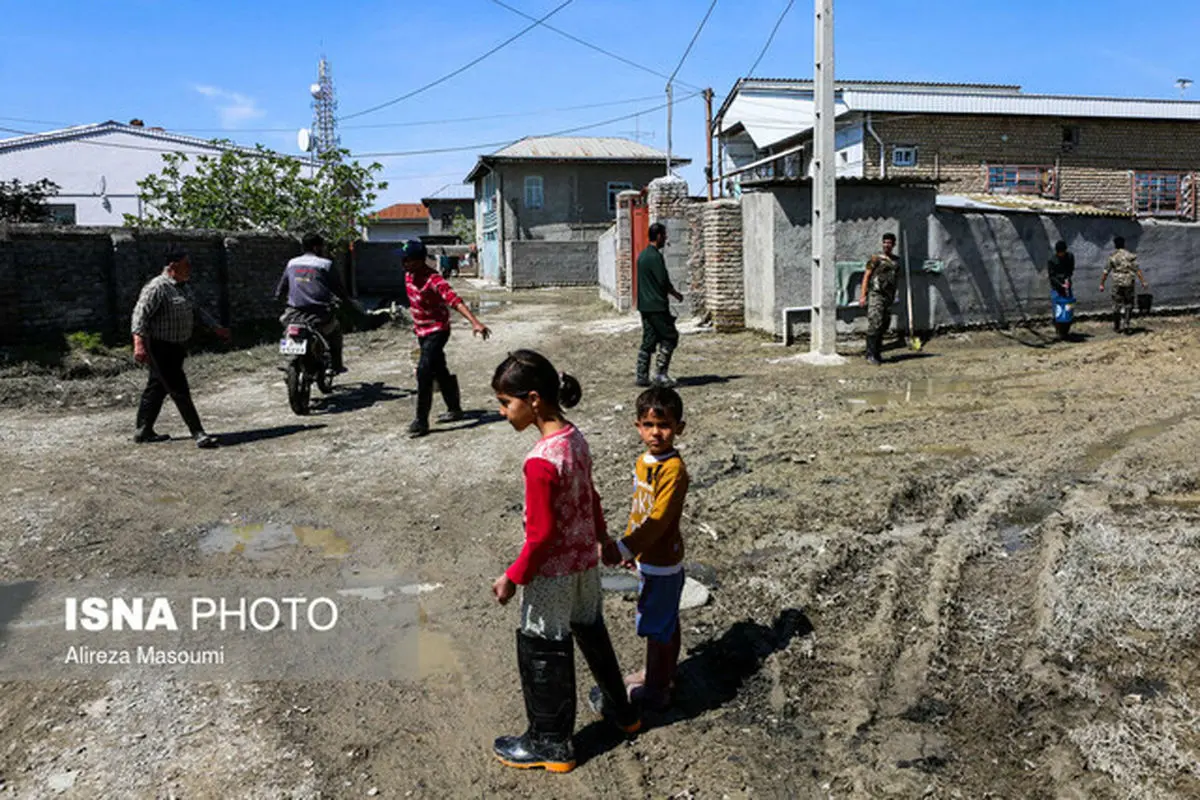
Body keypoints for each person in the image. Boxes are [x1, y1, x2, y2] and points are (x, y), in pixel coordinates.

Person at [489, 350, 642, 773]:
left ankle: (551, 742)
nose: (503, 413)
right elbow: (589, 498)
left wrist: (512, 577)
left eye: (506, 403)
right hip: (584, 568)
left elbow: (539, 537)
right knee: (591, 631)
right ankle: (623, 712)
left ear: (534, 399)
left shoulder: (540, 461)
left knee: (541, 643)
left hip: (551, 576)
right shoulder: (575, 438)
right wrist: (603, 541)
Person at [601, 385, 689, 712]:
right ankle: (660, 673)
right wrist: (631, 549)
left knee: (657, 626)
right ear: (637, 426)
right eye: (649, 425)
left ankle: (656, 689)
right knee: (664, 621)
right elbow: (639, 509)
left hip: (663, 560)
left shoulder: (674, 471)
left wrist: (623, 548)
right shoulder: (644, 461)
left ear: (679, 427)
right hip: (646, 557)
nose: (656, 433)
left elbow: (658, 520)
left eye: (664, 425)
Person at [130, 248, 231, 449]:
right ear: (173, 266)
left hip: (177, 346)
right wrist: (139, 345)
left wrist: (216, 328)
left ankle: (143, 431)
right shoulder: (157, 287)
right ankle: (198, 433)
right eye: (187, 264)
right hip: (159, 346)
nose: (190, 268)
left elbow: (197, 310)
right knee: (179, 388)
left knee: (156, 388)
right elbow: (139, 316)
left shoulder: (183, 287)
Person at [400, 239, 490, 437]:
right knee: (439, 369)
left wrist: (475, 322)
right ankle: (455, 409)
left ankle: (421, 421)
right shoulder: (408, 276)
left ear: (418, 260)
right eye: (402, 260)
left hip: (438, 330)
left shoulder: (434, 280)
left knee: (424, 370)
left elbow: (454, 300)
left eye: (406, 260)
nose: (403, 263)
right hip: (421, 332)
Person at [275, 233, 354, 374]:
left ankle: (287, 358)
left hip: (293, 313)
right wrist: (347, 302)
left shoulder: (292, 263)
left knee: (287, 330)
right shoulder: (325, 264)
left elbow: (281, 289)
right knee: (335, 330)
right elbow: (338, 289)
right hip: (319, 313)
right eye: (322, 246)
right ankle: (335, 365)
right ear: (317, 247)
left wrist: (280, 301)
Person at [636, 222, 684, 388]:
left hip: (644, 306)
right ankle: (660, 375)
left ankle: (641, 376)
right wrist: (676, 294)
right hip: (657, 306)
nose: (665, 238)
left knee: (649, 339)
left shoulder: (642, 256)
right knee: (670, 337)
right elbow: (663, 281)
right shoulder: (655, 257)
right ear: (658, 236)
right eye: (664, 235)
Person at [859, 233, 899, 365]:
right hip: (876, 295)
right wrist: (863, 295)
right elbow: (866, 276)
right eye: (885, 242)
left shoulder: (896, 261)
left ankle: (877, 352)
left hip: (888, 297)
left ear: (893, 245)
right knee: (875, 322)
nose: (886, 245)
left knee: (884, 324)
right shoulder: (875, 259)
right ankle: (870, 354)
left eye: (889, 243)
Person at [1099, 235, 1149, 335]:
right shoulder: (1130, 256)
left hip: (1117, 283)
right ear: (1124, 244)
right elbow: (1137, 270)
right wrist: (1143, 281)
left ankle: (1117, 326)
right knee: (1128, 304)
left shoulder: (1112, 257)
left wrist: (1102, 284)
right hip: (1128, 282)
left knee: (1116, 304)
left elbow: (1106, 272)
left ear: (1115, 245)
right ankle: (1126, 324)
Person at [1047, 240, 1076, 341]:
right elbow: (1051, 276)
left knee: (1068, 309)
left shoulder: (1070, 257)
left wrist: (1067, 280)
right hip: (1056, 287)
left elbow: (1071, 270)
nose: (1061, 254)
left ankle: (1066, 332)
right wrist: (1060, 284)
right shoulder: (1052, 260)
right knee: (1058, 310)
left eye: (1063, 252)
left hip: (1067, 286)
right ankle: (1059, 331)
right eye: (1059, 253)